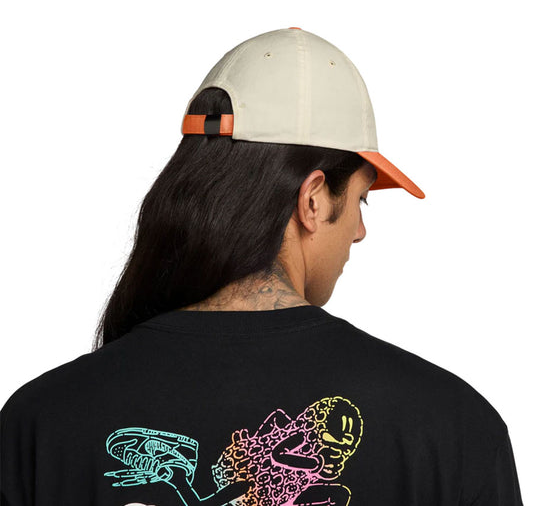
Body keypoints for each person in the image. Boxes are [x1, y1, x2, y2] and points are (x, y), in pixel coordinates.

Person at [0, 27, 523, 506]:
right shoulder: (452, 428)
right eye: (361, 200)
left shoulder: (38, 424)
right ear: (313, 199)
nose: (360, 231)